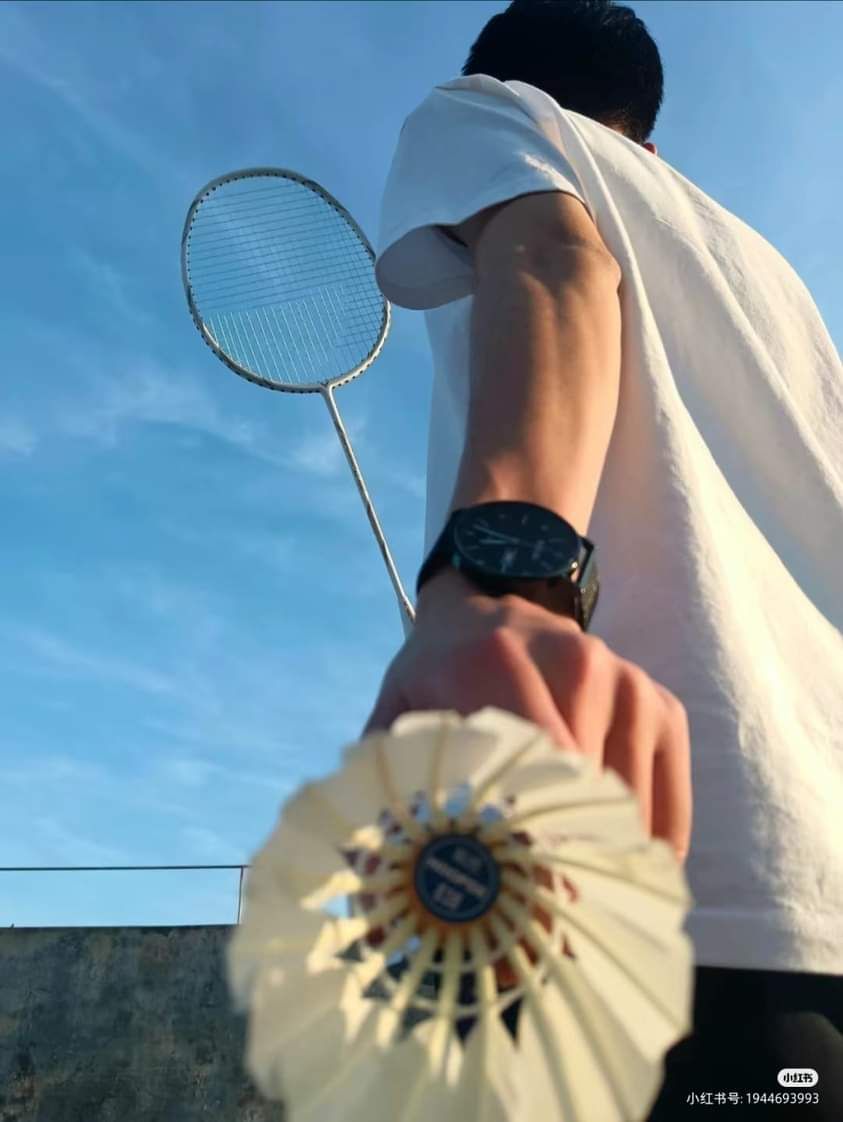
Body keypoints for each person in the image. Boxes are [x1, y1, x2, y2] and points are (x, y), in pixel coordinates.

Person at [364, 0, 842, 1117]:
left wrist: (502, 583)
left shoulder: (489, 118)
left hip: (649, 876)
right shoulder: (774, 280)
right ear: (653, 142)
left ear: (497, 81)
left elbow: (555, 257)